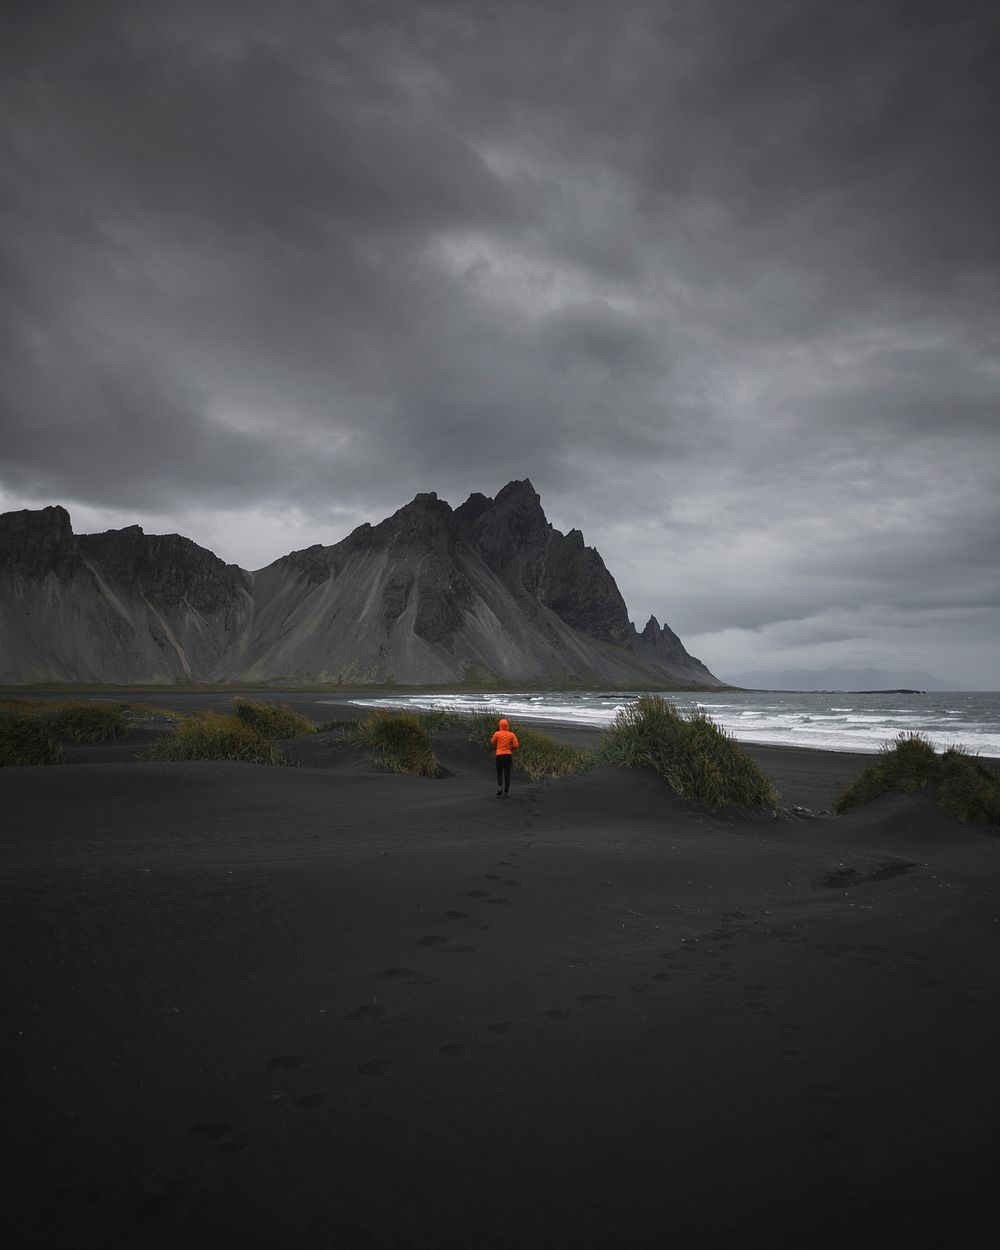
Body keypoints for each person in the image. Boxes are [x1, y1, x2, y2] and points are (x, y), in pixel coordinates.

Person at [490, 717, 519, 796]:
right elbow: (516, 745)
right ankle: (506, 792)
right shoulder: (511, 734)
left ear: (500, 725)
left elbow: (492, 742)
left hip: (499, 755)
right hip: (508, 755)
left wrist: (498, 744)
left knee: (499, 773)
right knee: (507, 774)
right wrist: (510, 748)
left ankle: (500, 788)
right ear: (507, 726)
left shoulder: (497, 733)